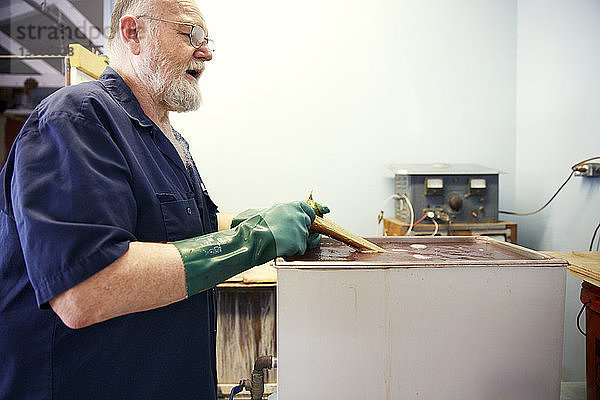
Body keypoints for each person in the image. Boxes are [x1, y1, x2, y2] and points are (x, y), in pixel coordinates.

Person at [0, 0, 320, 398]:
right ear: (133, 33)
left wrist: (246, 221)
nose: (206, 51)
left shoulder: (166, 139)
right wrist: (251, 241)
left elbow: (171, 229)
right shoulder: (76, 118)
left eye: (208, 40)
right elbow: (84, 290)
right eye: (191, 34)